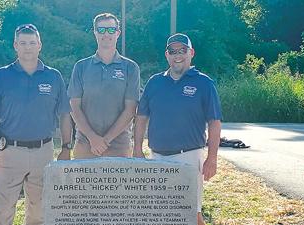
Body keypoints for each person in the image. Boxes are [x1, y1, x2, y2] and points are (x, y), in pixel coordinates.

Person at [0, 23, 72, 225]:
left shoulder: (53, 76)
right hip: (10, 152)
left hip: (44, 151)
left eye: (32, 42)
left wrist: (66, 147)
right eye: (23, 43)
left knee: (39, 211)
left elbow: (65, 115)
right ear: (15, 45)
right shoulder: (1, 76)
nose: (28, 47)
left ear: (40, 44)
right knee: (3, 211)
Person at [133, 33, 222, 225]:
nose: (177, 55)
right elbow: (141, 118)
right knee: (161, 214)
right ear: (167, 55)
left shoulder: (204, 83)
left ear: (191, 53)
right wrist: (137, 149)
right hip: (157, 157)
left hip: (189, 156)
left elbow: (214, 122)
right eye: (173, 51)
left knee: (192, 213)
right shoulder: (155, 82)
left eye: (182, 50)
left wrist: (212, 158)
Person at [67, 13, 140, 159]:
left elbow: (131, 109)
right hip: (85, 145)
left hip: (119, 146)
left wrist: (105, 141)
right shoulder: (81, 67)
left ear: (118, 33)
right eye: (101, 30)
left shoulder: (131, 68)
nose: (106, 34)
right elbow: (74, 107)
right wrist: (93, 138)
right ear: (95, 33)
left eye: (111, 30)